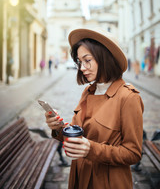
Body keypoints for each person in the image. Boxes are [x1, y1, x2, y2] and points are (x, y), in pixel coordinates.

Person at [45, 28, 144, 189]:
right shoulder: (89, 91)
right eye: (79, 61)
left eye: (87, 60)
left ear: (104, 57)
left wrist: (91, 149)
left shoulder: (128, 97)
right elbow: (81, 136)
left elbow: (133, 153)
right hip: (79, 177)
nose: (82, 67)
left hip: (107, 182)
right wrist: (59, 128)